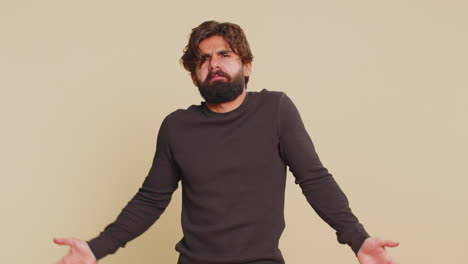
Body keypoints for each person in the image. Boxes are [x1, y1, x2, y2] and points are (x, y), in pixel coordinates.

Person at [54, 20, 399, 264]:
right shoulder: (177, 126)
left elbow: (314, 179)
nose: (213, 63)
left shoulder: (276, 109)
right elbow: (150, 200)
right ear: (194, 75)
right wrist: (95, 249)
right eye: (203, 59)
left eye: (225, 55)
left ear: (246, 66)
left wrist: (358, 239)